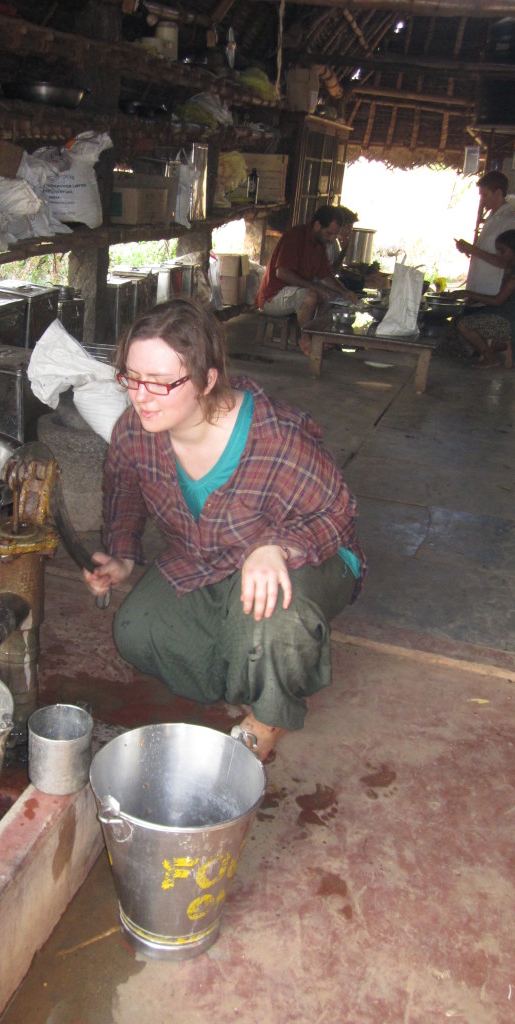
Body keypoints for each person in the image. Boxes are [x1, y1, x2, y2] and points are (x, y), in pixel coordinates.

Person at [82, 299, 366, 763]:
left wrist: (279, 547)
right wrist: (122, 555)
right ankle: (252, 665)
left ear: (207, 380)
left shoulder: (274, 436)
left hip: (314, 553)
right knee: (137, 631)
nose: (141, 396)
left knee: (273, 615)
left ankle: (269, 712)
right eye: (131, 377)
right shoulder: (135, 430)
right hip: (208, 555)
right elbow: (123, 492)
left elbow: (339, 514)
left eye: (161, 382)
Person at [255, 205, 358, 355]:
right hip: (272, 297)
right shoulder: (295, 236)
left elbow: (325, 276)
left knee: (333, 297)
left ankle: (322, 337)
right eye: (329, 234)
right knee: (310, 296)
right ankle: (306, 339)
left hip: (294, 293)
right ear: (317, 225)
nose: (331, 239)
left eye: (333, 236)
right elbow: (282, 273)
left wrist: (344, 291)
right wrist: (314, 287)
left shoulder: (319, 244)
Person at [456, 229, 515, 369]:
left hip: (512, 320)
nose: (498, 255)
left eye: (502, 251)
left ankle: (490, 357)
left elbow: (498, 300)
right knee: (462, 317)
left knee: (464, 324)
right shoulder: (512, 268)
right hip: (507, 314)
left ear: (514, 250)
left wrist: (468, 293)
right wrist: (475, 299)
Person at [455, 171, 515, 296]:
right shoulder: (491, 217)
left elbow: (505, 262)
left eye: (485, 195)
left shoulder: (510, 220)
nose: (482, 200)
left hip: (491, 291)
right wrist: (469, 250)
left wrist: (473, 250)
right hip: (477, 287)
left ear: (498, 193)